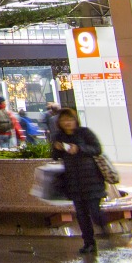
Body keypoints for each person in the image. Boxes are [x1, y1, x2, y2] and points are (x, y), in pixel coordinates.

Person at [51, 108, 109, 254]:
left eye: (70, 119)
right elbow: (55, 156)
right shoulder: (59, 136)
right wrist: (57, 148)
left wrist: (79, 148)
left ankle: (103, 225)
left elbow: (97, 149)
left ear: (75, 120)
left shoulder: (84, 133)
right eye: (64, 120)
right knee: (82, 215)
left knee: (95, 212)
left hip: (91, 180)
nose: (67, 123)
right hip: (73, 181)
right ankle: (89, 243)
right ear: (59, 122)